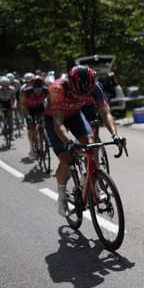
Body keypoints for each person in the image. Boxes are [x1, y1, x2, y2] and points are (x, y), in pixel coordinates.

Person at [45, 65, 124, 216]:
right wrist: (68, 142)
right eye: (77, 94)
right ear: (70, 84)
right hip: (55, 119)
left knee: (91, 144)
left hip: (75, 115)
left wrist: (115, 135)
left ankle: (92, 182)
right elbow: (58, 123)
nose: (81, 97)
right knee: (66, 159)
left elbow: (105, 112)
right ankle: (62, 195)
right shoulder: (57, 89)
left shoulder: (95, 87)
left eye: (85, 94)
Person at [21, 76, 49, 157]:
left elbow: (50, 103)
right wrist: (28, 115)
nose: (38, 92)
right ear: (32, 88)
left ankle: (42, 141)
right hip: (29, 109)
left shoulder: (46, 90)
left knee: (42, 125)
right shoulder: (26, 92)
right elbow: (24, 105)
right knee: (32, 128)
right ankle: (31, 147)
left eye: (40, 89)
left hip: (40, 107)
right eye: (36, 90)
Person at [0, 76, 18, 140]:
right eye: (3, 86)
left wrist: (14, 105)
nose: (5, 87)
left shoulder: (12, 89)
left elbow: (14, 99)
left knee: (10, 118)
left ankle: (12, 133)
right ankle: (2, 126)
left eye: (6, 85)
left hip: (8, 102)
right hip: (1, 102)